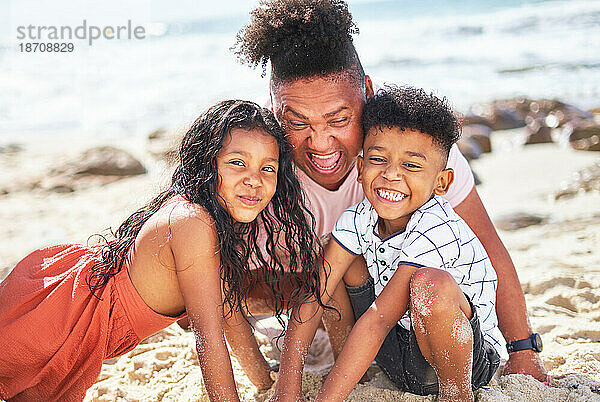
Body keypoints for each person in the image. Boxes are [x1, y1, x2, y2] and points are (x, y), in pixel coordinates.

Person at [232, 0, 547, 390]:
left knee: (412, 281)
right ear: (274, 107)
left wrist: (523, 351)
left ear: (366, 92)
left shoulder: (412, 142)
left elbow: (489, 246)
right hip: (328, 308)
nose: (321, 144)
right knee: (331, 259)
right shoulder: (259, 151)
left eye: (340, 120)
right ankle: (361, 378)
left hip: (432, 323)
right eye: (297, 122)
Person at [0, 100, 326, 401]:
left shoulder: (213, 222)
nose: (254, 180)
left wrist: (264, 381)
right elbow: (208, 338)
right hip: (63, 317)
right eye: (237, 163)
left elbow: (230, 313)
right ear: (206, 164)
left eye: (267, 168)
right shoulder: (192, 223)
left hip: (81, 314)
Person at [292, 85, 502, 401]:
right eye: (378, 159)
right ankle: (356, 374)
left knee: (430, 283)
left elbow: (379, 319)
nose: (391, 175)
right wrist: (286, 389)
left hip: (464, 361)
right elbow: (314, 295)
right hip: (396, 355)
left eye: (412, 165)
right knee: (333, 258)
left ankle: (456, 396)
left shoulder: (436, 224)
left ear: (441, 182)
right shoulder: (358, 218)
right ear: (360, 169)